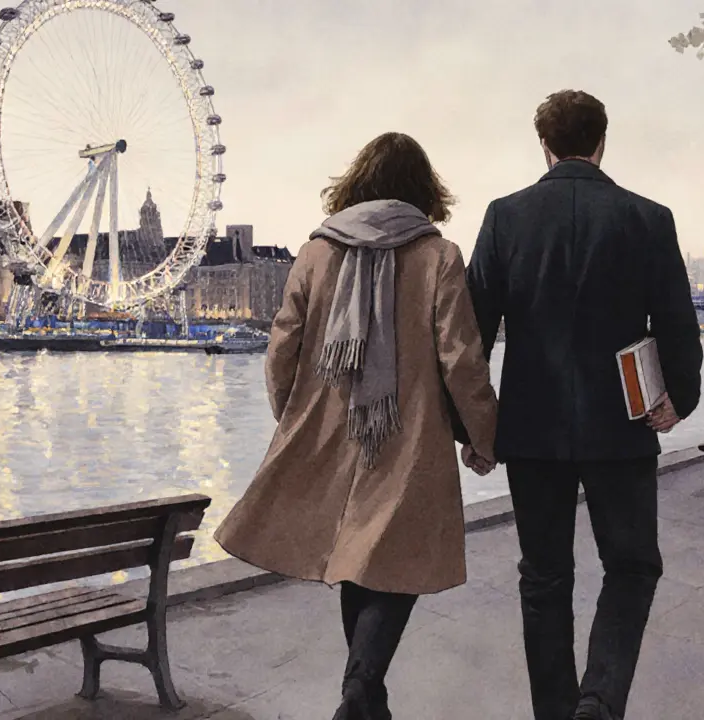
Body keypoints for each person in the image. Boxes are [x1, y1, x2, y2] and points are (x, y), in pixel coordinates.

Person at [213, 132, 499, 720]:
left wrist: (292, 415)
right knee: (393, 559)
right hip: (409, 432)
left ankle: (364, 695)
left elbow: (282, 347)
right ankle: (362, 690)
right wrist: (481, 435)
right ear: (424, 190)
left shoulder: (317, 251)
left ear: (356, 182)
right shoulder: (438, 256)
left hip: (330, 427)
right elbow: (461, 357)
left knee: (357, 559)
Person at [464, 90, 703, 720]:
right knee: (632, 566)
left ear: (543, 145)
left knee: (543, 579)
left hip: (530, 428)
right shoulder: (648, 218)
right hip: (622, 425)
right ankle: (598, 698)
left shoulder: (504, 217)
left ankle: (554, 710)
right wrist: (679, 397)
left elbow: (472, 334)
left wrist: (474, 426)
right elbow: (677, 322)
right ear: (603, 141)